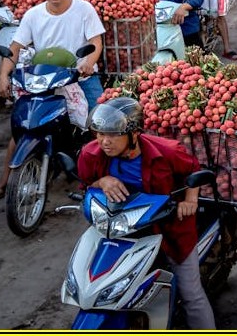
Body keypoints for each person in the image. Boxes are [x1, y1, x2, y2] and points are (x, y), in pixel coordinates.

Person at [78, 97, 217, 329]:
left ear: (133, 134)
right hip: (122, 229)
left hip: (170, 228)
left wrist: (190, 200)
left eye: (112, 135)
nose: (104, 141)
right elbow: (85, 183)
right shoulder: (90, 154)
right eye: (100, 134)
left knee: (192, 295)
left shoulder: (167, 151)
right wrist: (102, 181)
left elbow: (194, 169)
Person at [0, 0, 105, 206]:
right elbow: (15, 48)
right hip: (43, 78)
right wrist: (5, 75)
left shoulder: (84, 10)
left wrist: (89, 64)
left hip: (78, 76)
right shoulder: (33, 14)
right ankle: (3, 183)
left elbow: (96, 43)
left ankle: (103, 178)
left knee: (101, 124)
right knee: (23, 128)